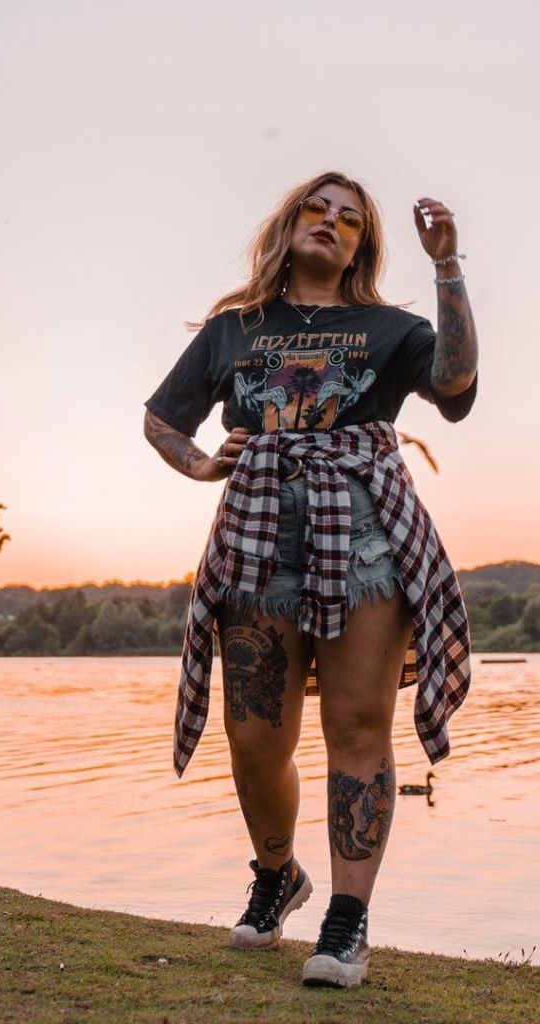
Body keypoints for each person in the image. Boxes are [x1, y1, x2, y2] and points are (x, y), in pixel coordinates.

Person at [143, 171, 478, 989]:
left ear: (363, 244)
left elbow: (456, 384)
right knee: (256, 741)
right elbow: (162, 417)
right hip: (256, 542)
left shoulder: (390, 327)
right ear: (290, 223)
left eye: (351, 220)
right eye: (318, 210)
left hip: (366, 540)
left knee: (359, 729)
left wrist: (447, 270)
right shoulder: (235, 329)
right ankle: (278, 874)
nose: (331, 223)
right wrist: (196, 463)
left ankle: (346, 921)